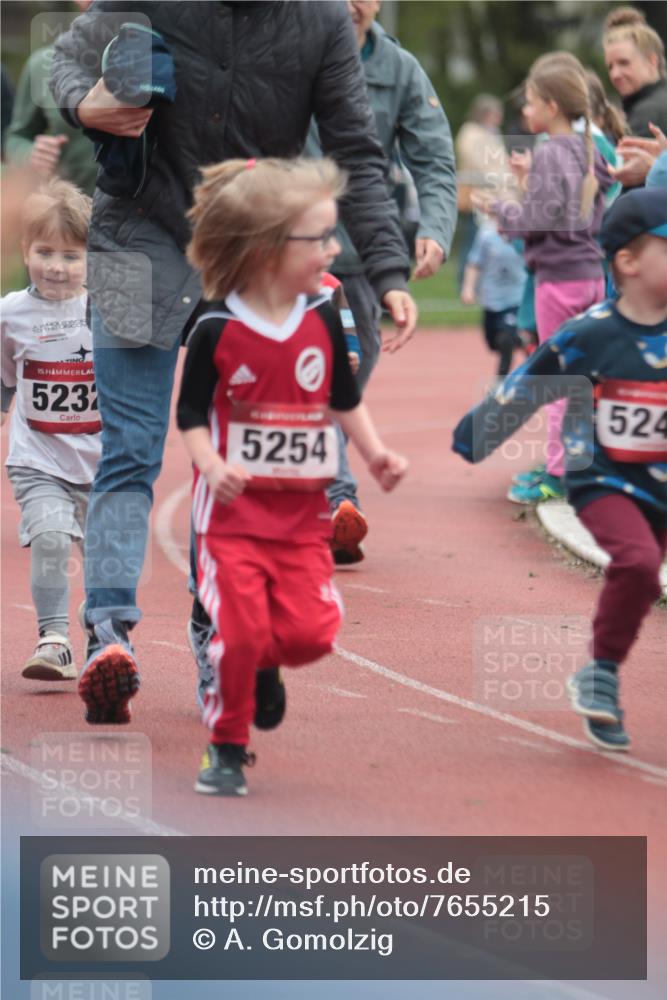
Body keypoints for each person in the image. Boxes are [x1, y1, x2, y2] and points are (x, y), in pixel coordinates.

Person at [48, 2, 418, 726]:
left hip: (247, 256)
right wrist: (84, 106)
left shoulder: (319, 22)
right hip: (135, 238)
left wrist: (388, 269)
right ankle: (108, 635)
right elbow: (68, 57)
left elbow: (356, 151)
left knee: (237, 458)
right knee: (129, 448)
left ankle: (216, 628)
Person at [176, 158, 408, 795]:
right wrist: (212, 463)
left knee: (310, 637)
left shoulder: (323, 316)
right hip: (232, 521)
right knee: (239, 633)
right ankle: (226, 747)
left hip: (302, 520)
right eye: (321, 238)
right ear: (267, 248)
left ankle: (264, 664)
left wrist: (375, 454)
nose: (334, 250)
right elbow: (190, 415)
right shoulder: (216, 326)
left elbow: (342, 398)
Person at [453, 186, 667, 752]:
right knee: (639, 562)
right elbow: (527, 386)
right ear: (628, 262)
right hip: (604, 479)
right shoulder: (590, 334)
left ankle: (600, 670)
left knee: (641, 577)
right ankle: (602, 676)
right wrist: (477, 435)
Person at [307, 0, 456, 564]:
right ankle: (335, 500)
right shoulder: (287, 45)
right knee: (317, 374)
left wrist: (435, 229)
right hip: (287, 254)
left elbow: (434, 159)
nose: (351, 4)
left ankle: (317, 493)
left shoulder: (400, 70)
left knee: (347, 372)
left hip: (363, 255)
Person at [473, 52, 613, 505]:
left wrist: (499, 207)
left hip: (559, 283)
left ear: (552, 106)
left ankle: (558, 474)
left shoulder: (552, 151)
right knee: (585, 379)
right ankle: (587, 467)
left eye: (531, 102)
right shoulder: (586, 148)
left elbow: (538, 219)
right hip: (591, 279)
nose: (525, 110)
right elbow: (569, 207)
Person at [1, 179, 97, 680]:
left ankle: (102, 627)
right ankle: (55, 640)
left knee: (107, 562)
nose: (56, 267)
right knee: (52, 539)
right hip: (39, 460)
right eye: (44, 253)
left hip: (104, 463)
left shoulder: (107, 312)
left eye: (71, 256)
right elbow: (2, 381)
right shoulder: (9, 314)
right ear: (25, 251)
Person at [4, 2, 96, 194]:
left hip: (144, 209)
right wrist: (30, 154)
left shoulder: (152, 59)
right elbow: (16, 137)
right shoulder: (43, 63)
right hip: (70, 208)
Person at [455, 94, 511, 291]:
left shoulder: (492, 133)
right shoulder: (470, 133)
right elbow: (478, 164)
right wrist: (498, 178)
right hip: (476, 194)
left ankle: (478, 284)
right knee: (472, 240)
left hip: (492, 195)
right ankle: (465, 283)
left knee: (483, 241)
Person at [460, 220, 527, 384]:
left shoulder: (526, 233)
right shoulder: (486, 235)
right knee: (493, 343)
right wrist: (468, 288)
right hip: (492, 298)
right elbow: (474, 263)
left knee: (506, 340)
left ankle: (500, 383)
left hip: (516, 297)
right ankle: (521, 340)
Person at [603, 7, 667, 142]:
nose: (615, 74)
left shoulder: (648, 114)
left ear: (652, 61)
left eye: (624, 63)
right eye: (610, 66)